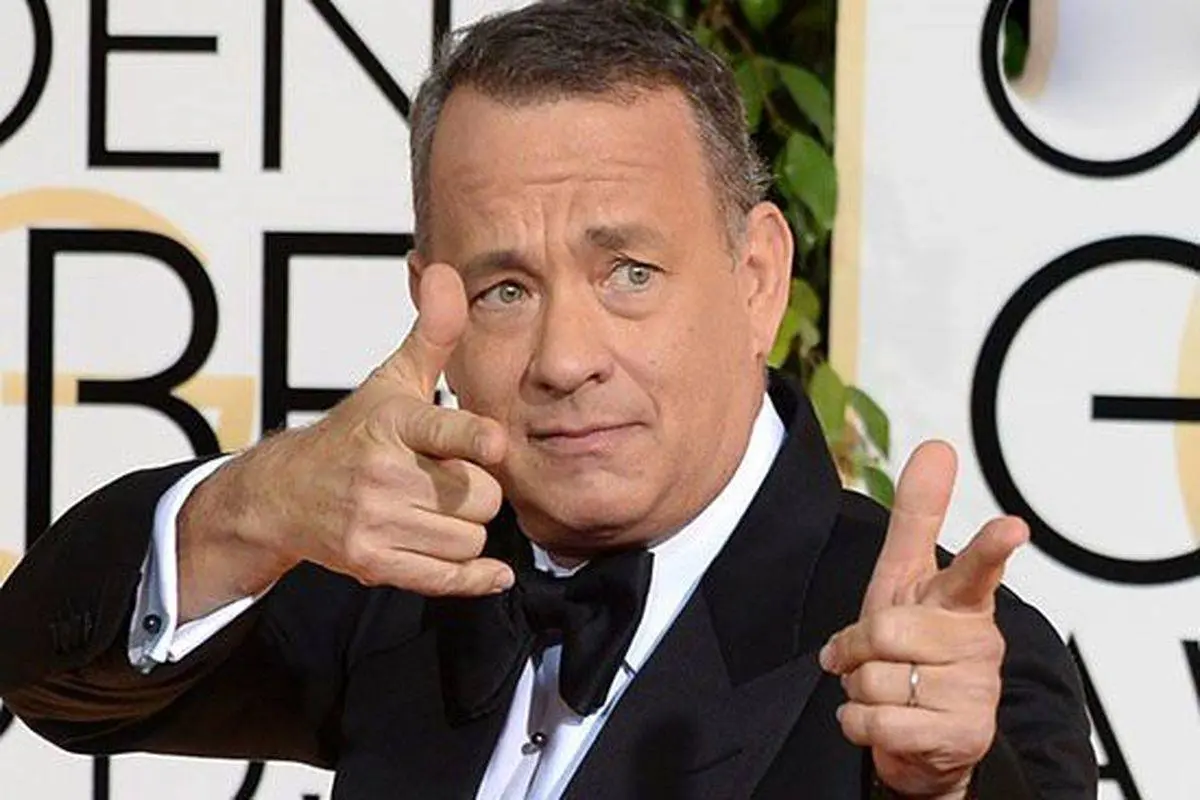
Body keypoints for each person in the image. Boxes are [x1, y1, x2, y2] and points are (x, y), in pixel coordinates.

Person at [0, 2, 1095, 798]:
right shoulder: (409, 576)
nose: (566, 359)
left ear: (758, 277)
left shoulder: (942, 661)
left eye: (630, 273)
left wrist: (943, 790)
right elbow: (47, 676)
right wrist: (253, 503)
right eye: (505, 290)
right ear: (430, 297)